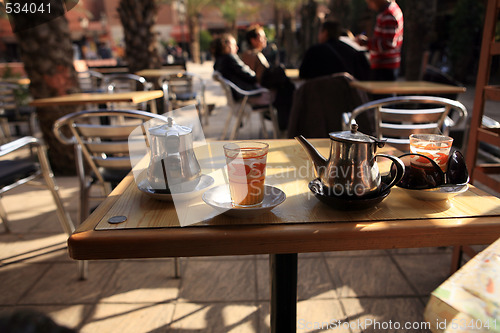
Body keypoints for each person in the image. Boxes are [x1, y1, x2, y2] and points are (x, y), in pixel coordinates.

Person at [356, 0, 403, 81]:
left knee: (382, 93)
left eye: (370, 2)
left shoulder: (388, 15)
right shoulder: (389, 10)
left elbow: (388, 44)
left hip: (384, 67)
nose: (370, 6)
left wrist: (366, 43)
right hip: (386, 65)